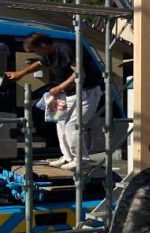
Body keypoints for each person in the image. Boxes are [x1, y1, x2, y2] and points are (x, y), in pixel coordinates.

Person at [5, 32, 103, 169]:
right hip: (69, 94)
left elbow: (79, 73)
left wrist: (60, 87)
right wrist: (20, 74)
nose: (37, 54)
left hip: (86, 92)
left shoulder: (64, 49)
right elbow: (39, 64)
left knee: (73, 125)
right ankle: (67, 156)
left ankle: (81, 160)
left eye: (35, 50)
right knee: (61, 122)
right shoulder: (48, 55)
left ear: (43, 44)